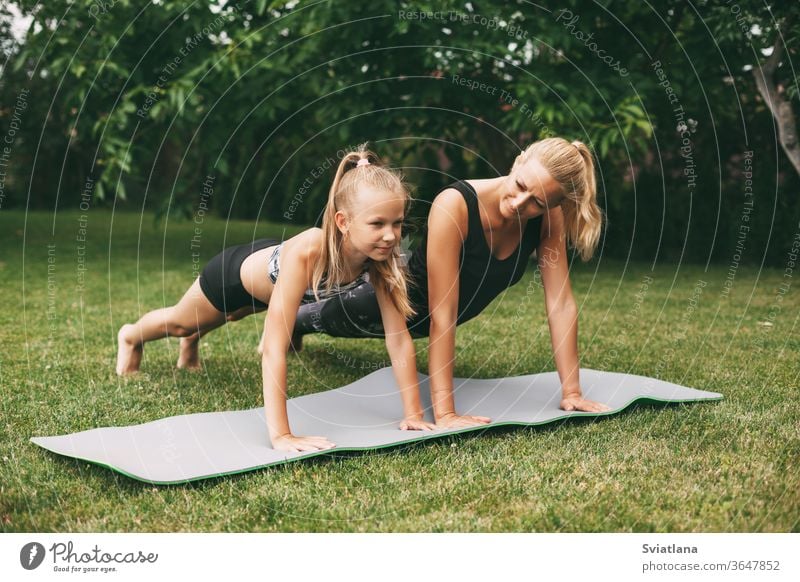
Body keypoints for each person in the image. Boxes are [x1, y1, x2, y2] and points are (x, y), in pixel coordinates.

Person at [116, 145, 436, 451]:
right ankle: (132, 336)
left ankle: (192, 343)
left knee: (230, 315)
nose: (391, 235)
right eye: (377, 224)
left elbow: (397, 338)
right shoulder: (311, 250)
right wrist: (282, 434)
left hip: (270, 280)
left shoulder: (382, 256)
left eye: (397, 223)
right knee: (182, 323)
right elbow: (272, 347)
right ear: (343, 222)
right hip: (232, 277)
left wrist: (413, 415)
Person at [290, 137, 611, 427]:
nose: (519, 203)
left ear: (555, 204)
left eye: (537, 202)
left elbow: (561, 303)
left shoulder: (548, 219)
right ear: (519, 160)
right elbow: (442, 313)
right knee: (314, 310)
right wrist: (445, 413)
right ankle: (276, 310)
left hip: (440, 315)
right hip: (392, 301)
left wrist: (572, 391)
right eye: (521, 185)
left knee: (312, 310)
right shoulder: (455, 204)